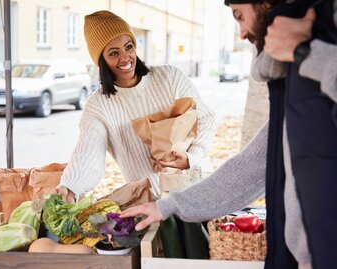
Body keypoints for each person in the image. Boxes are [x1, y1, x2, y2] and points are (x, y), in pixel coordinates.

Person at [121, 1, 337, 268]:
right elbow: (254, 165)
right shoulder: (289, 75)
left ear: (267, 4)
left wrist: (307, 52)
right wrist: (168, 206)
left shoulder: (313, 52)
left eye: (240, 15)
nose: (242, 33)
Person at [55, 10, 217, 203]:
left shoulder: (169, 77)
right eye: (114, 53)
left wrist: (191, 158)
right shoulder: (99, 106)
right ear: (101, 60)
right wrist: (71, 186)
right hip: (152, 205)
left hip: (195, 189)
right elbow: (88, 153)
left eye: (129, 47)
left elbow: (205, 118)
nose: (125, 58)